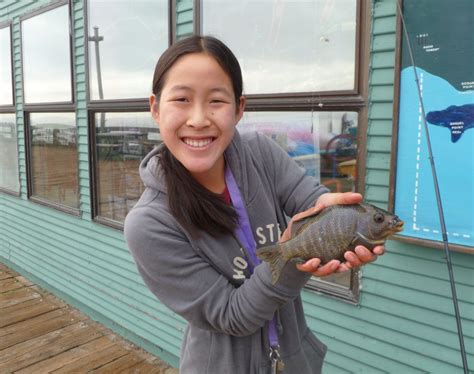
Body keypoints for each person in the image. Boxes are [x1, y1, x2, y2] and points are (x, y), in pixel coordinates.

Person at [124, 35, 384, 374]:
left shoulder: (259, 154)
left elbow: (312, 199)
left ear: (239, 108)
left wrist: (348, 224)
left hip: (294, 360)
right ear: (156, 109)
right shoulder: (148, 225)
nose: (199, 119)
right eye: (182, 99)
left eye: (216, 100)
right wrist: (294, 254)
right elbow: (233, 315)